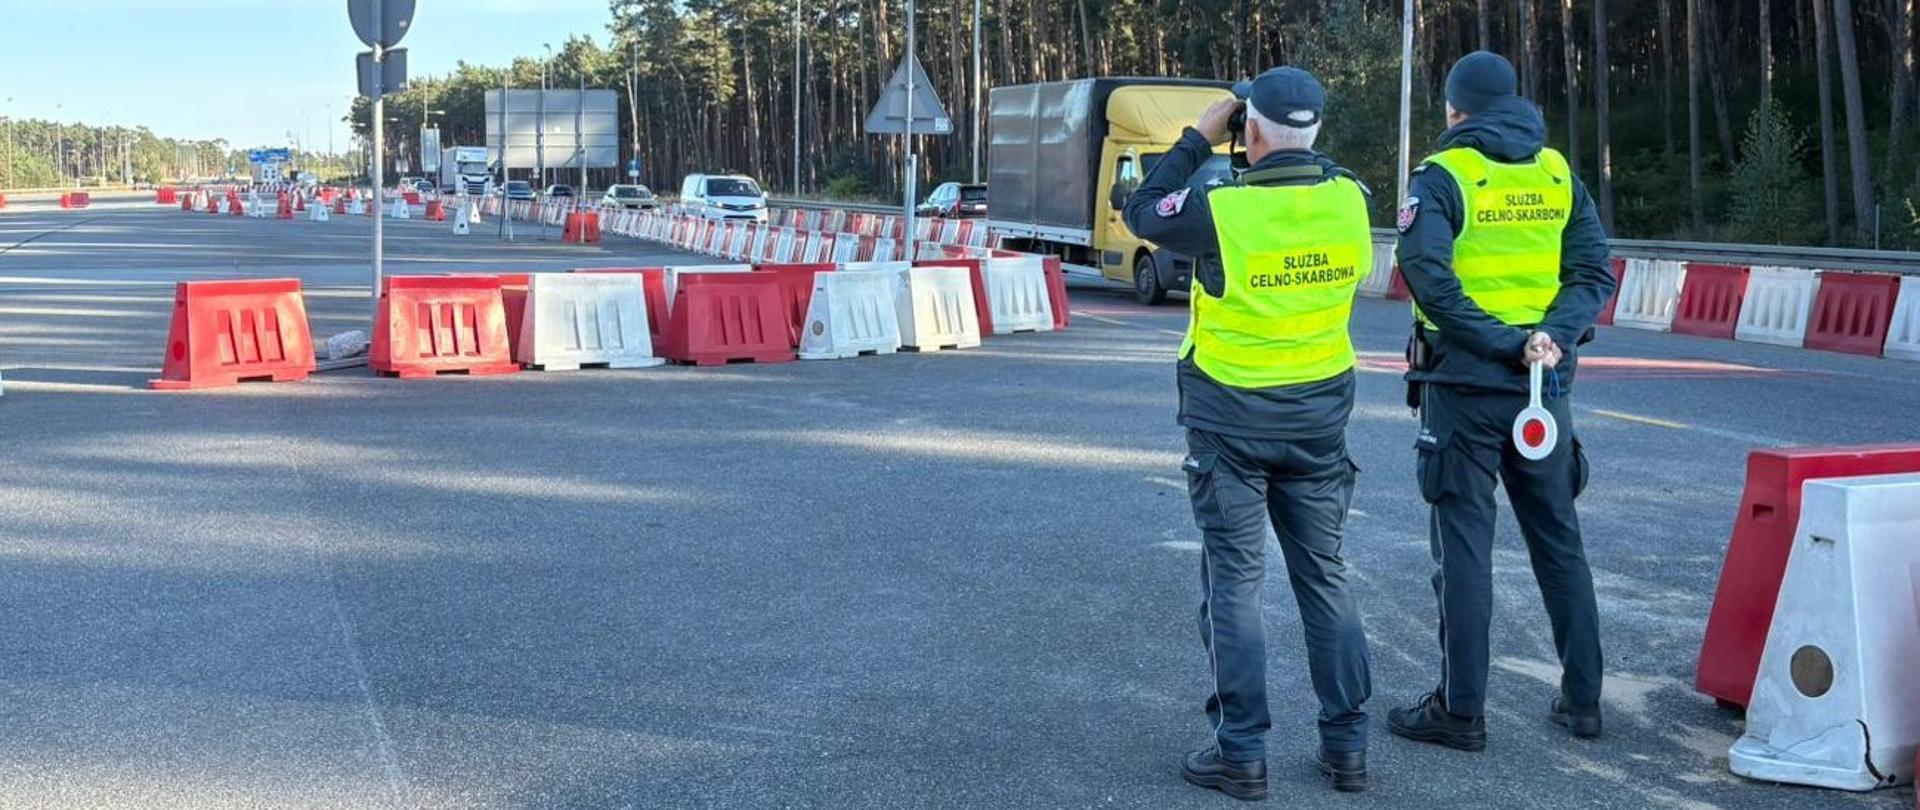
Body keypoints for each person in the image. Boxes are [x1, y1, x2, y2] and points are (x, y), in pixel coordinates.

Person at [1123, 66, 1374, 799]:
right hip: (1319, 420)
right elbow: (1315, 168)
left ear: (1249, 128)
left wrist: (1200, 136)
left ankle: (1241, 753)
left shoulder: (1221, 209)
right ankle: (1347, 747)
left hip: (1229, 423)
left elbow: (1142, 210)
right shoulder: (1351, 200)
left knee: (1234, 583)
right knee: (1325, 576)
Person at [1387, 51, 1616, 752]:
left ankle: (1461, 711)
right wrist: (1551, 337)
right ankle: (1583, 700)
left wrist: (1507, 342)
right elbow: (1593, 271)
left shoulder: (1443, 176)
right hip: (1544, 389)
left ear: (1454, 109)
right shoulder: (1556, 173)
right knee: (1559, 541)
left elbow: (1428, 279)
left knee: (1464, 551)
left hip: (1464, 388)